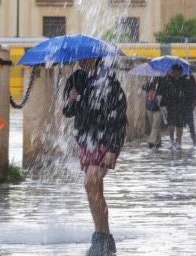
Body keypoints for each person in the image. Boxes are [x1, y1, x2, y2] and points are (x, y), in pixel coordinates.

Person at [63, 57, 127, 256]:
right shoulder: (75, 79)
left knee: (91, 182)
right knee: (94, 188)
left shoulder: (109, 81)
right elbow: (67, 112)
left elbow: (119, 117)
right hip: (86, 141)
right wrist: (71, 99)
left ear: (96, 58)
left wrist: (112, 148)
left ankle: (101, 237)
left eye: (86, 58)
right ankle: (104, 238)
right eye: (79, 58)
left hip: (106, 140)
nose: (81, 61)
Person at [158, 64, 189, 149]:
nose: (175, 73)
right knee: (170, 124)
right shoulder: (168, 79)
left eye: (177, 71)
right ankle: (171, 140)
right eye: (174, 71)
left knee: (180, 125)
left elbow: (187, 92)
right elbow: (163, 91)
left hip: (181, 106)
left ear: (180, 72)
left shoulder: (184, 80)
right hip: (170, 105)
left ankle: (179, 141)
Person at [143, 77, 163, 149]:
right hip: (150, 107)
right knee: (154, 125)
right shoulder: (150, 82)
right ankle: (158, 141)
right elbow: (144, 88)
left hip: (159, 108)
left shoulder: (162, 82)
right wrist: (147, 83)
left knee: (155, 124)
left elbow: (165, 92)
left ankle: (151, 141)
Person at [182, 73, 196, 146]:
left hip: (188, 105)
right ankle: (177, 141)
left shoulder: (190, 77)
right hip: (180, 105)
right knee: (179, 124)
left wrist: (192, 102)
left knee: (190, 124)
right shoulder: (173, 77)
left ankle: (194, 140)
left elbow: (195, 92)